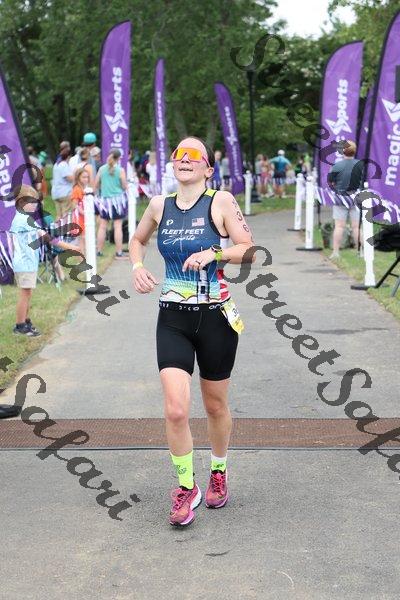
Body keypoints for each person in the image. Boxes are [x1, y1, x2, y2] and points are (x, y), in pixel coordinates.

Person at [129, 136, 255, 527]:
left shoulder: (221, 201)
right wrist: (137, 266)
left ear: (208, 168)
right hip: (173, 319)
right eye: (178, 155)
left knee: (215, 405)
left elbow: (247, 248)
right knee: (176, 409)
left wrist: (214, 253)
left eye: (193, 156)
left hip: (216, 318)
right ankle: (186, 486)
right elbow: (137, 240)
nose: (184, 160)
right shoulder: (159, 205)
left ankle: (218, 470)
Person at [9, 184, 76, 336]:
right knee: (25, 294)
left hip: (27, 263)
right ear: (21, 202)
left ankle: (25, 321)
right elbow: (47, 238)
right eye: (32, 201)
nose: (36, 204)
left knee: (28, 294)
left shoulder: (25, 219)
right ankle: (20, 326)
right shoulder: (23, 220)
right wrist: (71, 247)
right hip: (24, 264)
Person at [327, 140, 363, 259]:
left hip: (340, 198)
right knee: (356, 227)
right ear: (355, 151)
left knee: (339, 226)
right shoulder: (360, 165)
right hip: (355, 198)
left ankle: (336, 252)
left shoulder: (336, 166)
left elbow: (331, 182)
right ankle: (360, 252)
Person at [95, 148, 128, 258]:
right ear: (119, 158)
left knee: (102, 226)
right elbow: (124, 186)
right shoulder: (120, 170)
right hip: (117, 202)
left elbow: (96, 184)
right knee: (117, 226)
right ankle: (119, 252)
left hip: (105, 202)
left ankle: (99, 251)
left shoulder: (101, 169)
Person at [51, 143, 73, 218]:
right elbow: (69, 178)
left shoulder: (56, 164)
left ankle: (57, 226)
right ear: (68, 157)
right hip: (64, 193)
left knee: (59, 215)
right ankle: (66, 226)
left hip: (56, 193)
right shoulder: (64, 164)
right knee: (66, 215)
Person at [71, 167, 89, 255]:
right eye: (84, 177)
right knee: (81, 238)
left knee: (84, 238)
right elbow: (75, 204)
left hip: (85, 216)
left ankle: (84, 255)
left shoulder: (85, 188)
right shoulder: (77, 189)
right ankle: (81, 257)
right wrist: (83, 212)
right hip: (79, 217)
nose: (86, 179)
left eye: (87, 177)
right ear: (78, 178)